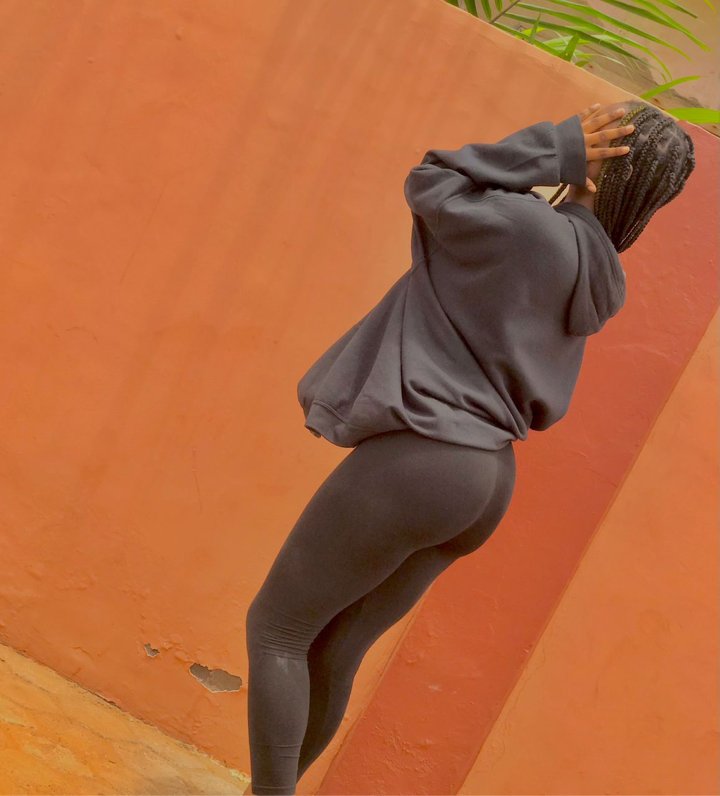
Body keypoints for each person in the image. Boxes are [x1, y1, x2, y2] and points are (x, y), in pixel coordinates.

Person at [243, 100, 696, 795]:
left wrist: (552, 148)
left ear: (598, 164)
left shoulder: (528, 230)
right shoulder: (601, 274)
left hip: (425, 457)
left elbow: (432, 180)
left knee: (278, 630)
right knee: (335, 652)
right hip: (486, 480)